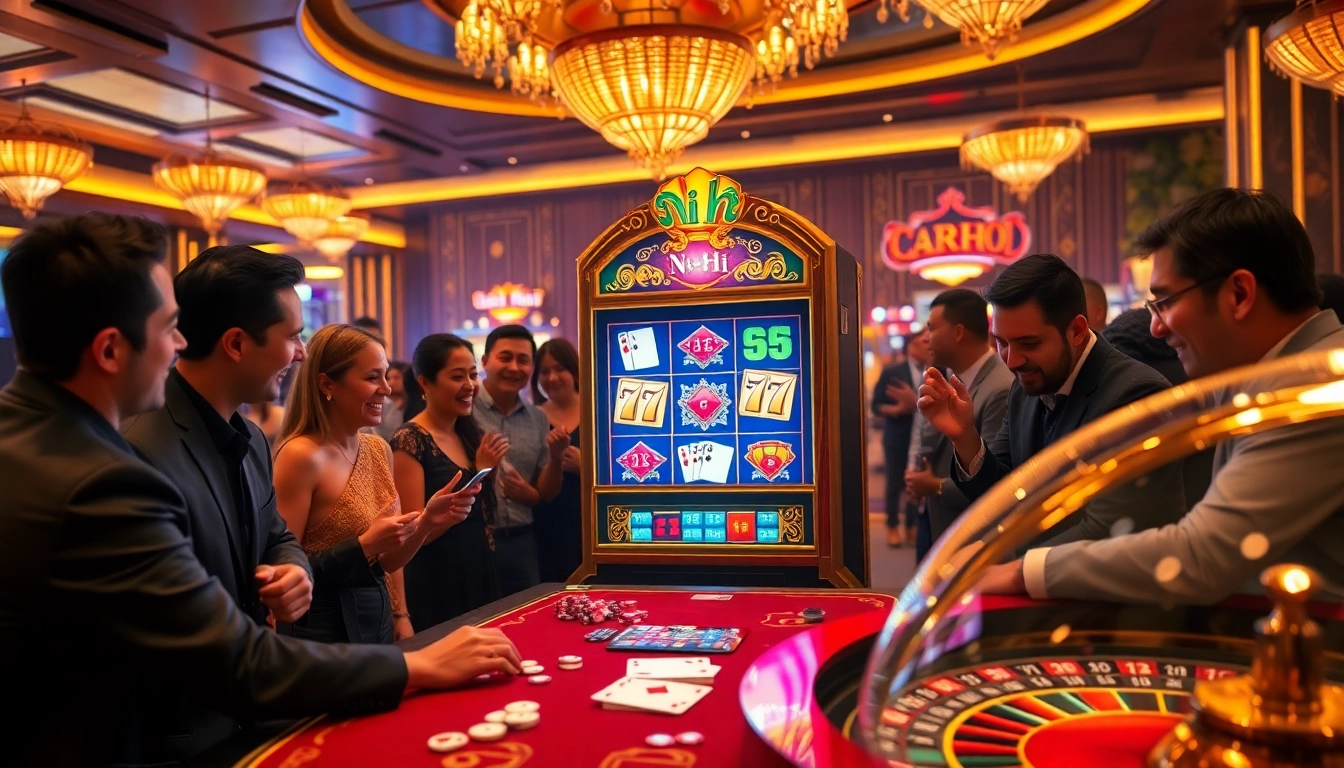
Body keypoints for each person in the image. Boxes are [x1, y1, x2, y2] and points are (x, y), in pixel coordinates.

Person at [0, 213, 521, 767]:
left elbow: (276, 535)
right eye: (168, 328)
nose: (180, 343)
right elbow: (235, 661)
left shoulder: (241, 437)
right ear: (110, 351)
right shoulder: (110, 472)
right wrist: (418, 663)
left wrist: (291, 567)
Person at [977, 189, 1344, 603]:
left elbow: (1202, 557)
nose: (1155, 328)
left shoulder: (1315, 389)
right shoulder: (1274, 377)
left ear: (1240, 294)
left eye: (1165, 302)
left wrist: (1020, 572)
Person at [918, 254, 1185, 548]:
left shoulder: (1136, 394)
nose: (1012, 361)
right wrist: (965, 437)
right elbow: (1002, 494)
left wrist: (1010, 566)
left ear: (1077, 331)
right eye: (1002, 343)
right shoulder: (1025, 386)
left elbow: (1107, 528)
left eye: (1029, 344)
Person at [273, 324, 479, 643]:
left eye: (385, 376)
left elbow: (387, 561)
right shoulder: (301, 455)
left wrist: (426, 521)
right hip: (320, 633)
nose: (386, 388)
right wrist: (364, 545)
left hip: (374, 621)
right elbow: (284, 570)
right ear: (327, 384)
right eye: (372, 378)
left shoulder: (377, 448)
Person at [392, 334, 501, 628]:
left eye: (473, 375)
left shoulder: (468, 433)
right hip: (438, 581)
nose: (470, 385)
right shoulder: (410, 440)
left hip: (478, 570)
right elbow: (411, 534)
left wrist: (484, 469)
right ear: (425, 383)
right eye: (457, 376)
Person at [902, 289, 1012, 562]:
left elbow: (996, 479)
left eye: (932, 329)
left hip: (972, 536)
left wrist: (935, 486)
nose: (925, 338)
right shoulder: (951, 376)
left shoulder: (999, 387)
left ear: (959, 332)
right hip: (936, 517)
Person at [474, 324, 569, 595]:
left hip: (521, 541)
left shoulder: (538, 418)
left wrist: (556, 458)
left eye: (523, 360)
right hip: (474, 540)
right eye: (505, 358)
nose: (514, 368)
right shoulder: (464, 409)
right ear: (485, 361)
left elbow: (546, 492)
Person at [531, 338, 584, 582]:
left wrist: (585, 467)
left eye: (559, 369)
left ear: (574, 371)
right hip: (548, 520)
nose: (552, 378)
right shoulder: (533, 416)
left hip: (588, 518)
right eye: (544, 372)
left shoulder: (596, 406)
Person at [870, 331, 925, 547]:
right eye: (923, 342)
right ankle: (892, 525)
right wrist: (896, 409)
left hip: (923, 437)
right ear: (911, 346)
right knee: (895, 482)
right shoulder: (893, 372)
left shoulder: (935, 370)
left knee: (915, 481)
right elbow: (876, 405)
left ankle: (911, 525)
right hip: (897, 436)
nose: (927, 346)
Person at [374, 360, 411, 442]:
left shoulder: (414, 405)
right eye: (388, 378)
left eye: (396, 378)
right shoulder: (383, 404)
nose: (391, 382)